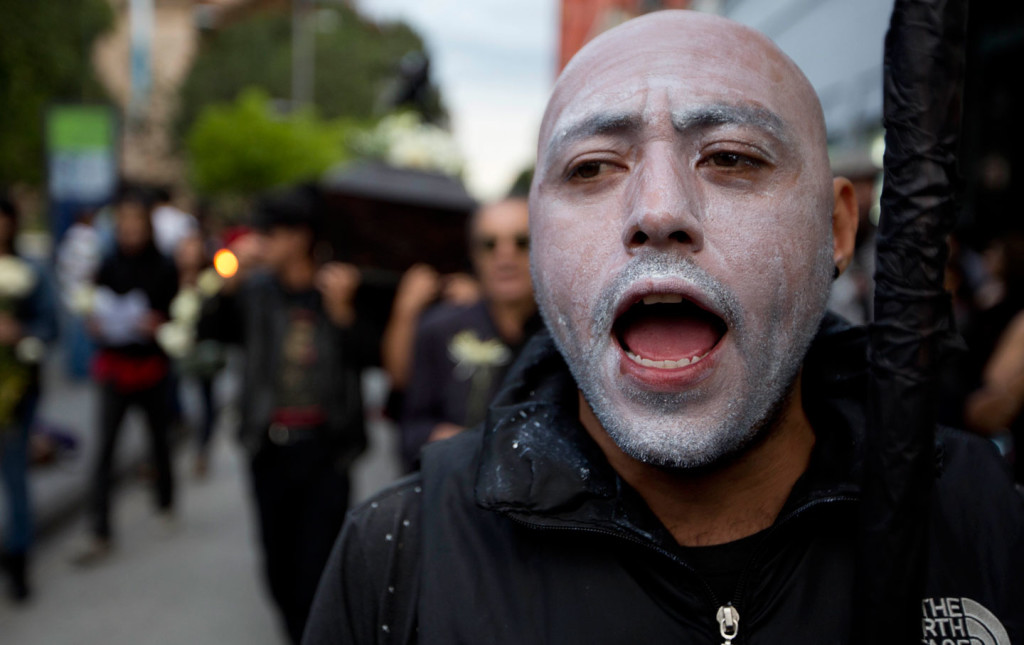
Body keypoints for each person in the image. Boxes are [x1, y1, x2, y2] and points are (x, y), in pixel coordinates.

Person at [304, 11, 1024, 644]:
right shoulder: (401, 558)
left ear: (836, 228)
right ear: (539, 241)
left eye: (732, 157)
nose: (657, 210)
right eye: (591, 169)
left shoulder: (983, 516)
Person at [198, 185, 377, 644]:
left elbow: (371, 358)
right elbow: (209, 333)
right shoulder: (255, 292)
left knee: (318, 566)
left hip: (325, 448)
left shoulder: (338, 288)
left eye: (270, 233)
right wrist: (224, 288)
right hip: (269, 446)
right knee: (276, 563)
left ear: (299, 236)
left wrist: (343, 315)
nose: (261, 243)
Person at [76, 189, 179, 564]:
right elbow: (92, 303)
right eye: (124, 226)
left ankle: (165, 501)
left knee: (158, 440)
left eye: (136, 226)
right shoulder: (108, 264)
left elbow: (175, 315)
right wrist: (96, 323)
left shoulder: (164, 266)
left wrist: (158, 323)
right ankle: (100, 527)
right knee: (104, 450)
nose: (129, 233)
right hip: (114, 366)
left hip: (151, 367)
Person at [398, 198, 540, 470]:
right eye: (489, 244)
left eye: (522, 242)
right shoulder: (438, 328)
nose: (505, 255)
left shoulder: (569, 335)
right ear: (474, 255)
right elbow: (410, 432)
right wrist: (458, 443)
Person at [0, 196, 57, 601]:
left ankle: (19, 561)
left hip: (18, 389)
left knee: (16, 476)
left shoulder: (31, 270)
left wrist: (20, 333)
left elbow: (50, 326)